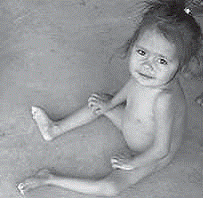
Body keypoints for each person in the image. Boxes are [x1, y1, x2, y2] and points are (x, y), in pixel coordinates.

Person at [18, 0, 202, 196]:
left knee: (109, 188)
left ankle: (48, 178)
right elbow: (130, 87)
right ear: (132, 45)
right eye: (142, 52)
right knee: (100, 101)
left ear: (180, 67)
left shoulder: (165, 98)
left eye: (162, 60)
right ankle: (54, 129)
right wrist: (110, 104)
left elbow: (161, 150)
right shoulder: (149, 76)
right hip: (131, 124)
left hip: (148, 154)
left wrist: (133, 162)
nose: (148, 65)